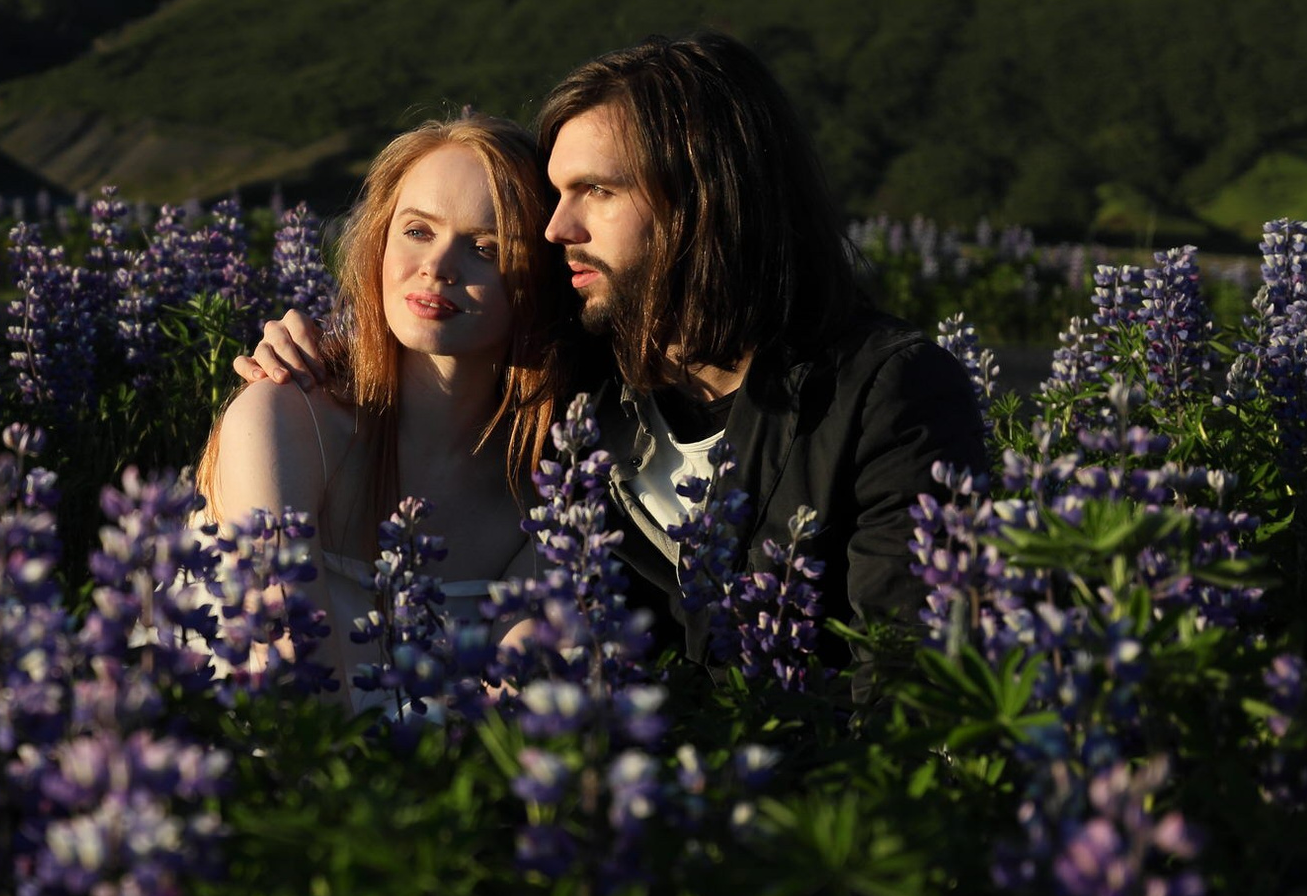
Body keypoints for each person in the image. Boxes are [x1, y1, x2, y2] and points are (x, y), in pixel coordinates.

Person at [237, 33, 986, 676]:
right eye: (558, 194)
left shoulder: (885, 392)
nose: (556, 229)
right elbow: (448, 349)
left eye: (595, 190)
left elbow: (910, 683)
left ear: (703, 198)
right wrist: (321, 350)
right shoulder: (585, 388)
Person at [200, 114, 574, 704]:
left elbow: (509, 720)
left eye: (485, 248)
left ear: (544, 282)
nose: (438, 266)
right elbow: (292, 693)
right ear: (379, 239)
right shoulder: (286, 417)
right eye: (418, 230)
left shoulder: (547, 484)